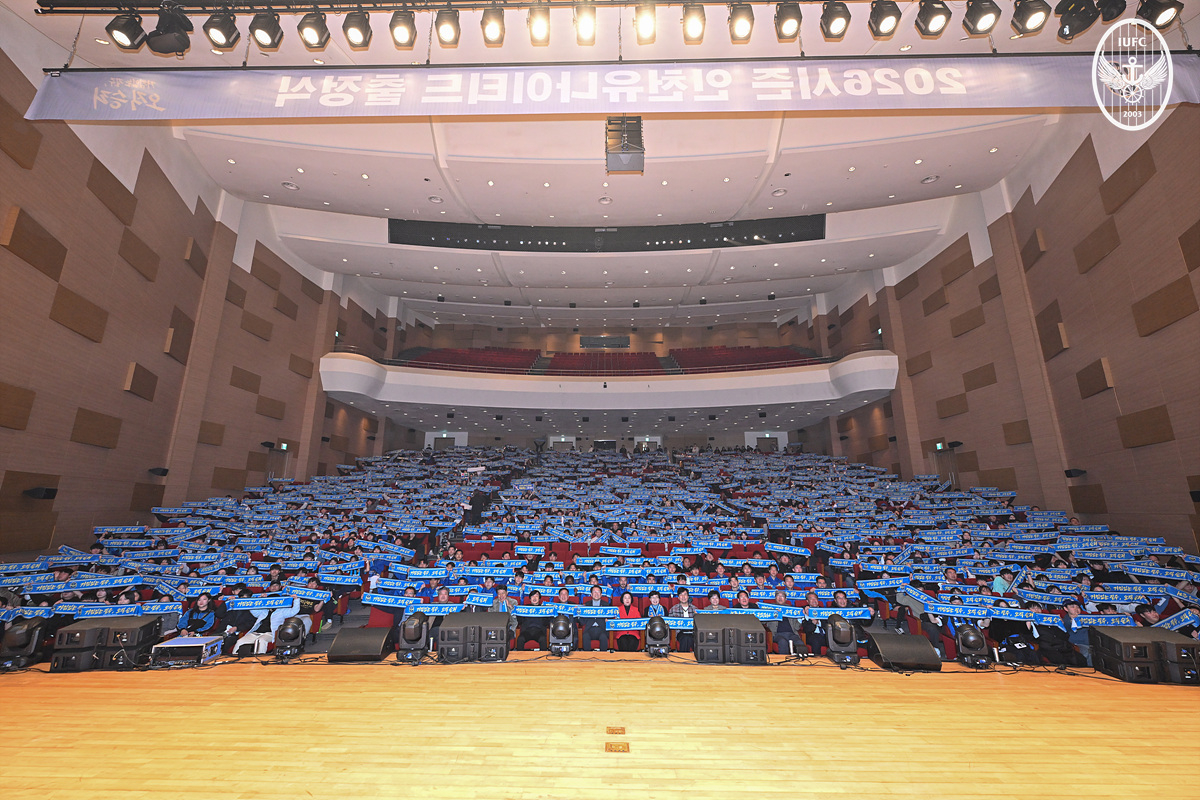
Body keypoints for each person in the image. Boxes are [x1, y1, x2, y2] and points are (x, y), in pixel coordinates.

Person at [766, 589, 807, 656]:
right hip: (778, 634)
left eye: (782, 596)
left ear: (785, 599)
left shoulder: (791, 609)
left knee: (799, 642)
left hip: (791, 634)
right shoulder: (770, 608)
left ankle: (803, 662)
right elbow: (763, 622)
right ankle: (784, 662)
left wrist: (800, 618)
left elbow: (796, 627)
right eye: (778, 596)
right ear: (775, 598)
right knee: (783, 642)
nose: (780, 598)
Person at [579, 585, 609, 652]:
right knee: (585, 637)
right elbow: (582, 622)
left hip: (601, 629)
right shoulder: (586, 605)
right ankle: (588, 659)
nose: (596, 594)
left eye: (598, 592)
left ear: (601, 594)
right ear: (591, 594)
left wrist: (608, 620)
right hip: (589, 628)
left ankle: (603, 659)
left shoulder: (606, 605)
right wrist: (578, 613)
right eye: (594, 592)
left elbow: (610, 618)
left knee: (604, 638)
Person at [668, 587, 699, 652]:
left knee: (690, 638)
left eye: (685, 594)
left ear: (688, 596)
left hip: (692, 632)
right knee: (686, 638)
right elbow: (669, 625)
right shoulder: (673, 609)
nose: (683, 597)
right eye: (681, 595)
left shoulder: (695, 609)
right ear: (678, 597)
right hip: (680, 632)